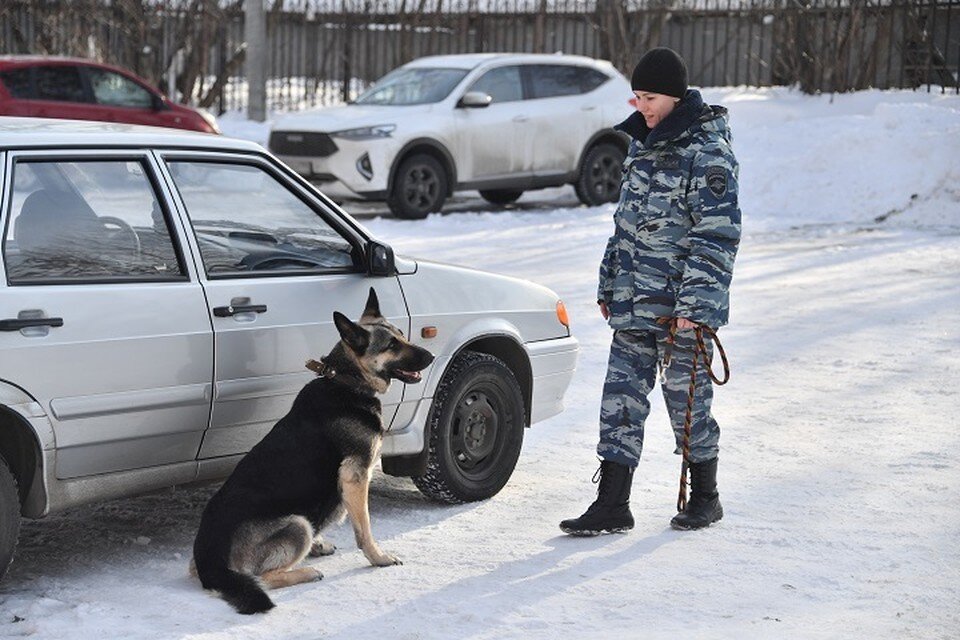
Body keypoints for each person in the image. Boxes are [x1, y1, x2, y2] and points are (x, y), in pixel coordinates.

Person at [560, 47, 741, 535]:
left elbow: (717, 233)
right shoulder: (642, 142)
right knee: (620, 399)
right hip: (633, 299)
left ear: (677, 97)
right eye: (637, 97)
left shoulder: (707, 151)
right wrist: (608, 280)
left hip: (681, 308)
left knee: (686, 401)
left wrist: (697, 305)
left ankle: (706, 496)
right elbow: (626, 226)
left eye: (651, 97)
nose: (642, 106)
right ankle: (612, 503)